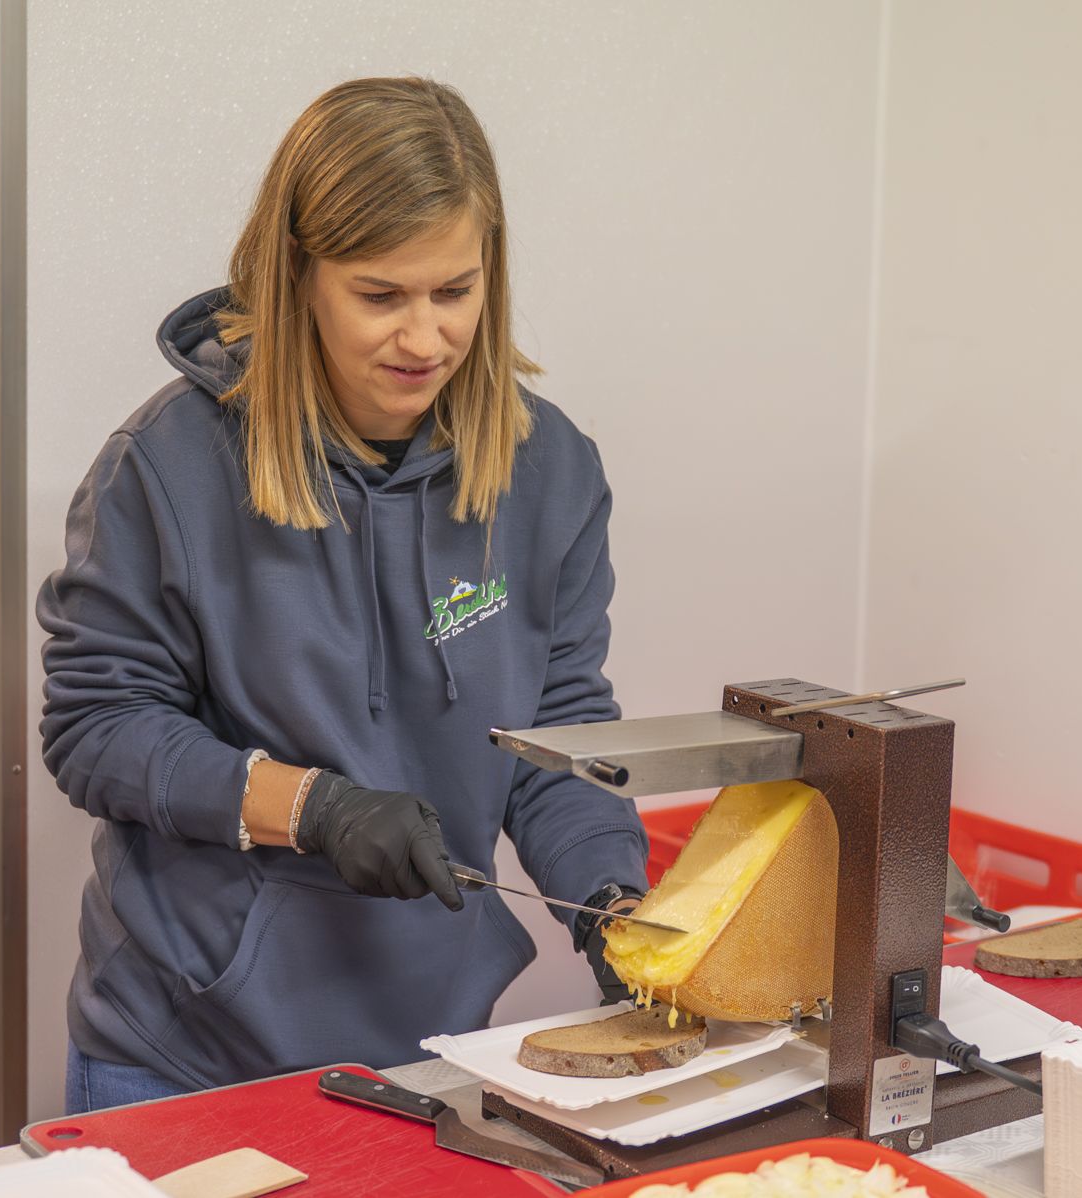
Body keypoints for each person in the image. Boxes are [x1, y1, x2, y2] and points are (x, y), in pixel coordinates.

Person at [39, 77, 649, 1114]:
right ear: (298, 277)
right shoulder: (166, 465)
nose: (425, 340)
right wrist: (311, 808)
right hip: (185, 1054)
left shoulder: (549, 469)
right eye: (380, 296)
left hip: (430, 1047)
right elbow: (97, 728)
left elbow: (557, 732)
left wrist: (612, 905)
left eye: (454, 292)